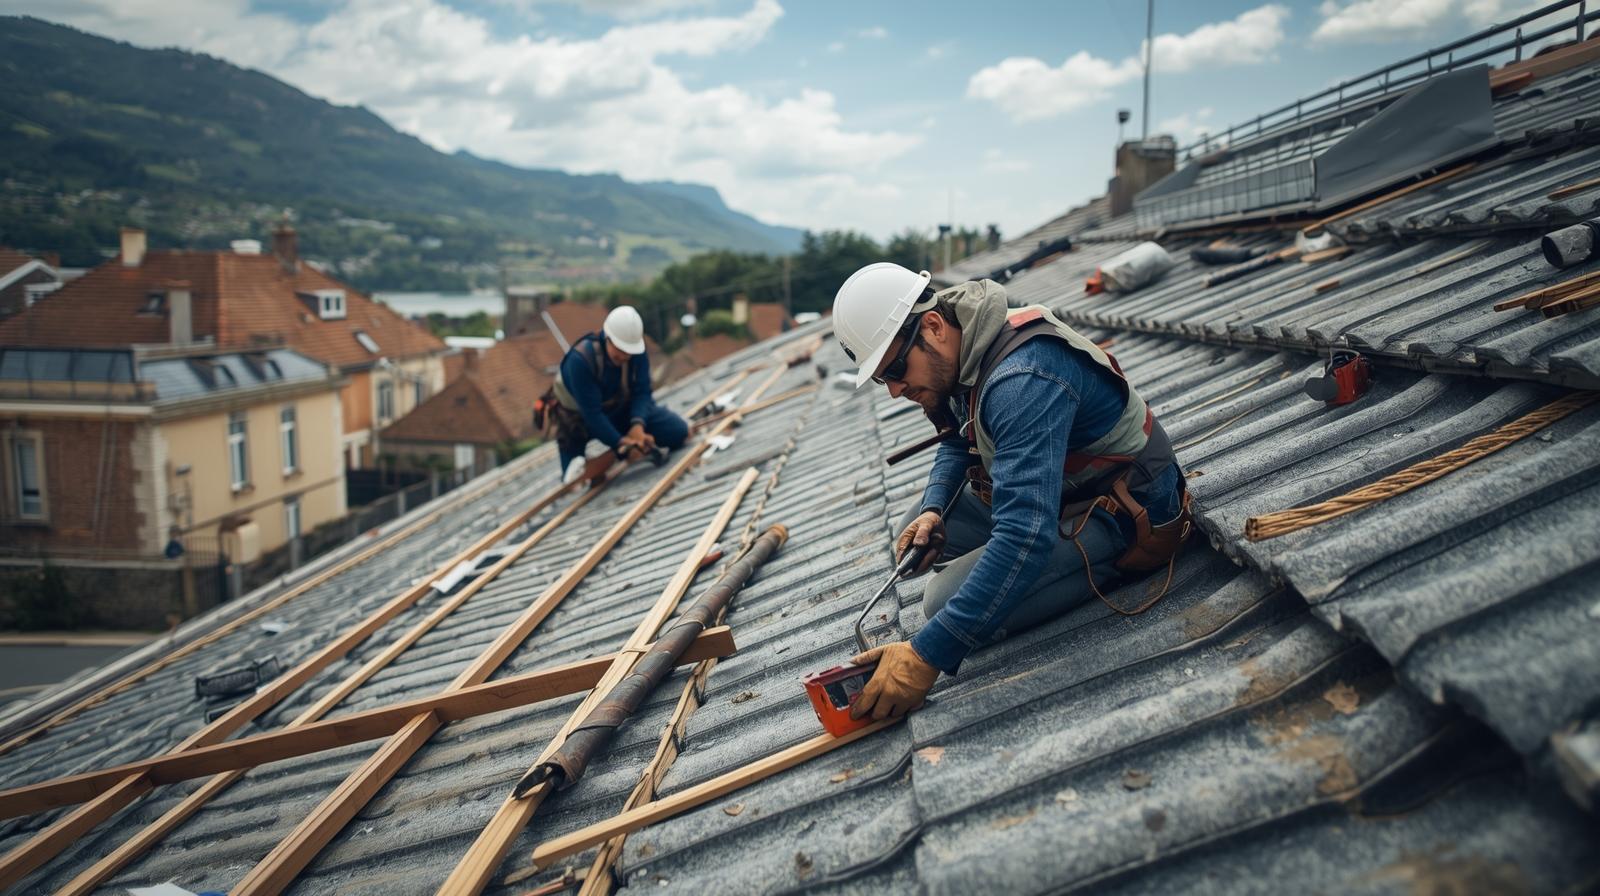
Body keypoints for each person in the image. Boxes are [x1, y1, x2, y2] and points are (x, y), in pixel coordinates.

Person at [833, 263, 1192, 722]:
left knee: (941, 602)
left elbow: (1024, 536)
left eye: (898, 369)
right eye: (884, 378)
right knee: (914, 533)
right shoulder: (966, 339)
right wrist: (934, 509)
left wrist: (926, 656)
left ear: (934, 325)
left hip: (1127, 510)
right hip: (1061, 490)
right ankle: (1007, 568)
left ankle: (1103, 564)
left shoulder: (1021, 380)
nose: (896, 391)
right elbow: (958, 438)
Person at [546, 306, 688, 483]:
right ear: (607, 337)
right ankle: (602, 456)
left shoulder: (636, 351)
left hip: (619, 409)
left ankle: (624, 444)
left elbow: (642, 391)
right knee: (573, 479)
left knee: (677, 431)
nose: (624, 356)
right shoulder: (580, 361)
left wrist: (638, 425)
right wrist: (621, 444)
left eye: (628, 352)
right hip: (581, 420)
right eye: (620, 350)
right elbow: (592, 414)